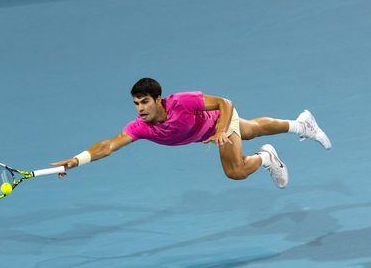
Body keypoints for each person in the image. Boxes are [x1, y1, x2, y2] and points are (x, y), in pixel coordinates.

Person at [51, 78, 331, 188]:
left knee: (234, 170)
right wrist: (77, 159)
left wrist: (221, 131)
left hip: (219, 122)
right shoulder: (141, 127)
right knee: (254, 129)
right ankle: (301, 125)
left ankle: (267, 158)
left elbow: (225, 103)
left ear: (158, 99)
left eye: (145, 102)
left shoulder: (182, 102)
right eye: (136, 103)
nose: (140, 109)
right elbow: (110, 145)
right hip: (210, 130)